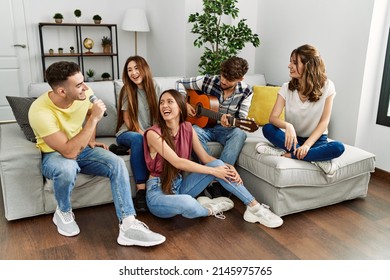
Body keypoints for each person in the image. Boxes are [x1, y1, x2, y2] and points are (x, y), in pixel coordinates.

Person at [28, 61, 165, 247]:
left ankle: (128, 225)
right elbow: (68, 152)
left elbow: (91, 111)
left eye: (83, 81)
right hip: (56, 154)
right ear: (62, 92)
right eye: (78, 85)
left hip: (82, 149)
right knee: (68, 167)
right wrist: (93, 120)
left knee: (116, 163)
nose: (85, 87)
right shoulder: (39, 111)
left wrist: (90, 139)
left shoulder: (84, 94)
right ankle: (63, 212)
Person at [143, 89, 283, 228]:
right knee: (188, 202)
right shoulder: (153, 134)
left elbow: (205, 157)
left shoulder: (187, 128)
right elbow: (177, 162)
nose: (164, 106)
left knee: (218, 164)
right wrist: (214, 172)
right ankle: (210, 209)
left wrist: (227, 167)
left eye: (169, 102)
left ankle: (254, 208)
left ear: (180, 107)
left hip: (179, 186)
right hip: (158, 193)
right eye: (161, 103)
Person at [256, 44, 345, 175]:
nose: (289, 65)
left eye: (294, 62)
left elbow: (324, 122)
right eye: (290, 61)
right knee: (267, 128)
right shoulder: (286, 87)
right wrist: (288, 126)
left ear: (308, 66)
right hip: (293, 139)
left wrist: (307, 145)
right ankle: (315, 158)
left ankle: (288, 154)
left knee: (338, 147)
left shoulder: (327, 86)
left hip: (316, 140)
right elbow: (273, 118)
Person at [176, 56, 253, 198]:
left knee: (240, 134)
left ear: (240, 79)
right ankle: (210, 175)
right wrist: (184, 103)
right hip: (204, 128)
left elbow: (241, 119)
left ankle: (218, 183)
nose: (223, 81)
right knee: (192, 131)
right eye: (223, 76)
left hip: (226, 129)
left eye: (228, 80)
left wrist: (231, 121)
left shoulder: (246, 91)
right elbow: (179, 82)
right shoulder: (207, 81)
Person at [115, 56, 162, 212]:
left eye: (136, 68)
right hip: (129, 132)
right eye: (129, 70)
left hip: (149, 133)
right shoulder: (127, 90)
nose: (133, 73)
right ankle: (141, 191)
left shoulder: (155, 86)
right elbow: (128, 119)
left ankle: (125, 150)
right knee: (138, 139)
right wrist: (144, 135)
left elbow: (163, 112)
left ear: (144, 69)